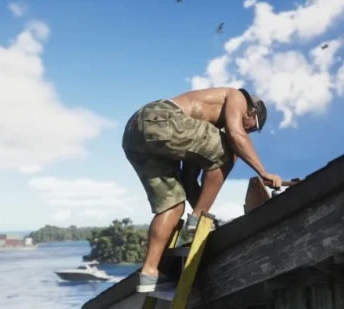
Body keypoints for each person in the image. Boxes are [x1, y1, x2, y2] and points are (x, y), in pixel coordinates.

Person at [121, 87, 283, 292]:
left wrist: (201, 215)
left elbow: (190, 180)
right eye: (252, 127)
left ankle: (149, 273)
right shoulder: (238, 97)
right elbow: (236, 135)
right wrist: (263, 172)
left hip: (135, 134)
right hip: (162, 117)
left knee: (173, 204)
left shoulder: (199, 133)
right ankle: (197, 218)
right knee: (229, 150)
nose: (249, 131)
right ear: (251, 112)